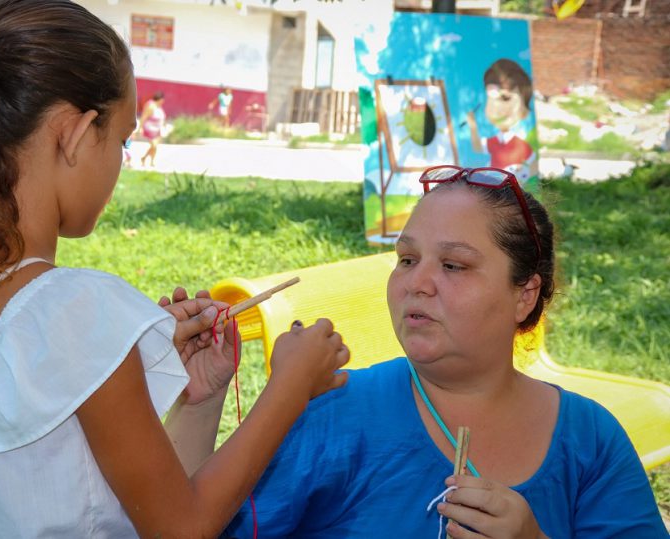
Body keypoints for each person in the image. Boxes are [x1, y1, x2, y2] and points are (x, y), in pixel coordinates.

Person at [0, 2, 350, 537]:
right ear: (74, 133)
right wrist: (290, 387)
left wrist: (200, 399)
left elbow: (144, 509)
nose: (122, 157)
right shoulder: (73, 312)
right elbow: (183, 529)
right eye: (122, 138)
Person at [223, 165, 666, 538]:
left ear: (524, 295)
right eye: (407, 259)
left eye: (454, 265)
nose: (416, 283)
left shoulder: (589, 439)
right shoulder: (328, 412)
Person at [466, 59, 538, 185]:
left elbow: (533, 166)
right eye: (491, 99)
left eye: (505, 98)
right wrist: (473, 126)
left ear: (524, 111)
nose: (496, 107)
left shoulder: (521, 145)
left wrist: (522, 179)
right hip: (494, 189)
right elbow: (477, 147)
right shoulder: (494, 141)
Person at [138, 91, 166, 167]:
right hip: (150, 129)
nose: (163, 101)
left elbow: (162, 118)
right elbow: (143, 117)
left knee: (155, 147)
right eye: (163, 99)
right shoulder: (151, 106)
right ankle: (144, 158)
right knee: (154, 146)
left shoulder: (159, 107)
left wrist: (164, 126)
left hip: (158, 130)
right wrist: (140, 128)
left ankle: (151, 161)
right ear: (160, 99)